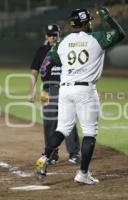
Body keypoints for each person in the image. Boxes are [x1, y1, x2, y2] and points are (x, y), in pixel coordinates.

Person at [35, 7, 125, 184]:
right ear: (84, 23)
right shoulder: (96, 38)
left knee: (62, 128)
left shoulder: (63, 42)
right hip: (85, 90)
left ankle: (44, 158)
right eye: (89, 21)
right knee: (90, 132)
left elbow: (47, 64)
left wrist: (46, 81)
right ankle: (83, 174)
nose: (91, 23)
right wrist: (108, 18)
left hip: (65, 90)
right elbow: (120, 33)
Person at [29, 24, 81, 165]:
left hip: (64, 88)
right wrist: (32, 90)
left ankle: (75, 153)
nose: (53, 37)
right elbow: (34, 71)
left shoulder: (66, 48)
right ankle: (51, 153)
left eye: (56, 34)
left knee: (68, 120)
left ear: (59, 34)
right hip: (46, 90)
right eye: (51, 35)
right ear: (46, 36)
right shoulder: (41, 51)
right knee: (49, 122)